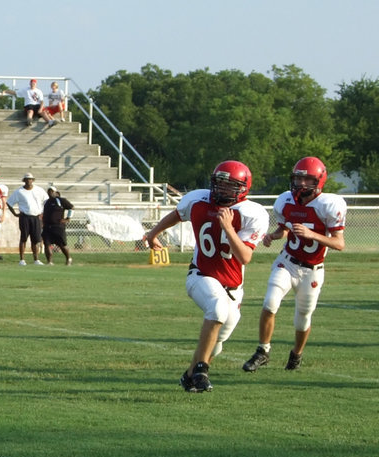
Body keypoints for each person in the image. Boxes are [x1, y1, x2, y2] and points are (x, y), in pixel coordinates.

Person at [143, 160, 270, 393]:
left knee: (218, 342)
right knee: (217, 309)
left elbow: (244, 257)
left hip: (233, 286)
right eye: (219, 183)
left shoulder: (252, 213)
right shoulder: (198, 200)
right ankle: (202, 369)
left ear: (243, 189)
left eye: (229, 186)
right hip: (200, 275)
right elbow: (178, 214)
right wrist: (153, 234)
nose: (221, 190)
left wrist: (229, 228)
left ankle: (190, 375)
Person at [242, 157, 347, 374]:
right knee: (270, 302)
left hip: (313, 270)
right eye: (298, 179)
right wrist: (273, 235)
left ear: (318, 181)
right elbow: (285, 229)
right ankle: (263, 351)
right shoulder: (285, 201)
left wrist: (312, 234)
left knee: (303, 318)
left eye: (307, 180)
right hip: (287, 262)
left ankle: (296, 355)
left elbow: (339, 243)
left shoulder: (329, 204)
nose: (301, 184)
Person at [7, 173, 46, 265]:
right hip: (25, 217)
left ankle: (36, 259)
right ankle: (22, 259)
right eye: (27, 179)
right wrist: (15, 214)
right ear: (24, 180)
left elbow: (46, 200)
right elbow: (9, 203)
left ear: (33, 180)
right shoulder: (19, 191)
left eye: (30, 179)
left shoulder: (39, 190)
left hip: (36, 217)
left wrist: (43, 213)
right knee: (23, 238)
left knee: (36, 239)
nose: (29, 181)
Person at [42, 184, 74, 265]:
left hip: (58, 226)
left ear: (56, 192)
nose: (50, 193)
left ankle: (68, 258)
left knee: (62, 244)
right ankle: (49, 261)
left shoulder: (60, 200)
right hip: (47, 226)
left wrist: (68, 218)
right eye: (49, 191)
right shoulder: (46, 202)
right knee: (47, 244)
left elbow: (71, 207)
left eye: (52, 191)